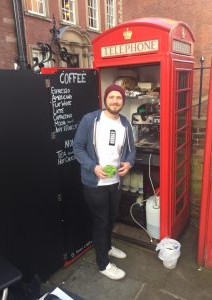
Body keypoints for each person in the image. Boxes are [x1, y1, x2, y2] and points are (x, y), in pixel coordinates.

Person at [74, 84, 136, 280]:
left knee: (112, 217)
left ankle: (107, 247)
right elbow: (78, 148)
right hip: (95, 183)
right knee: (101, 221)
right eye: (112, 97)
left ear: (123, 102)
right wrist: (93, 167)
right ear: (105, 100)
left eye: (119, 98)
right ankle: (103, 264)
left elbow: (131, 149)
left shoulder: (125, 123)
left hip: (115, 181)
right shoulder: (91, 120)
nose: (115, 101)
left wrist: (128, 163)